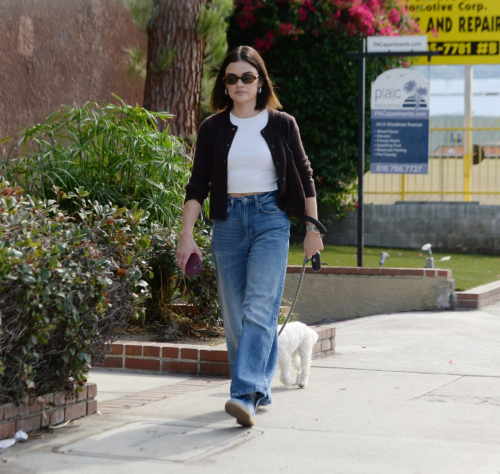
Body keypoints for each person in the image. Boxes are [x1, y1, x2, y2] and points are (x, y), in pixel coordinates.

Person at [175, 45, 323, 427]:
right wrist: (186, 235)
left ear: (260, 81)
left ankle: (244, 394)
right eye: (231, 78)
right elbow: (197, 186)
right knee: (235, 315)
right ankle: (259, 386)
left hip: (270, 219)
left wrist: (312, 229)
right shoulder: (212, 128)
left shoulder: (282, 124)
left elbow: (306, 178)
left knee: (259, 306)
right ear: (224, 85)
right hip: (227, 223)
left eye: (247, 77)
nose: (239, 84)